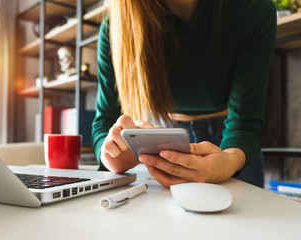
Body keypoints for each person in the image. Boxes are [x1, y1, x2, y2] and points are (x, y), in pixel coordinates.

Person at [91, 0, 277, 188]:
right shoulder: (115, 26)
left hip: (232, 142)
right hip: (159, 143)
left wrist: (229, 160)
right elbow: (105, 121)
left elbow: (246, 121)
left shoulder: (253, 9)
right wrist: (111, 156)